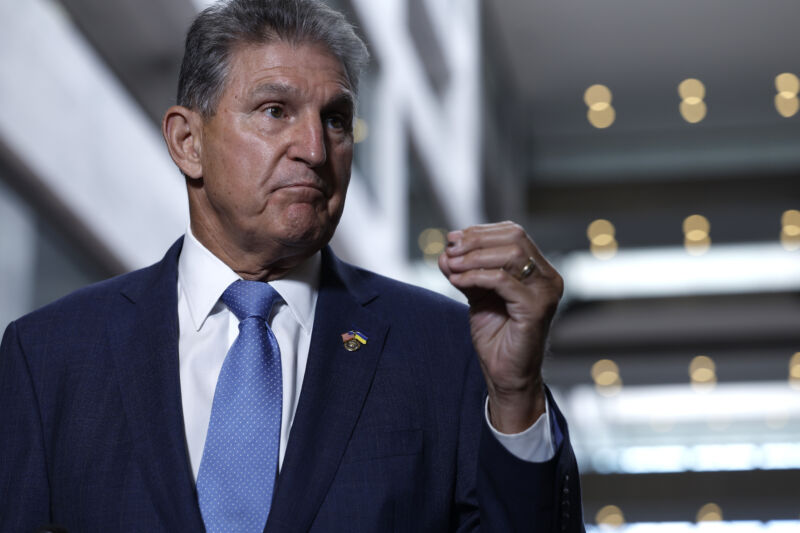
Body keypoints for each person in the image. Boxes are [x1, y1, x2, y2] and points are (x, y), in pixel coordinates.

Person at [0, 0, 583, 531]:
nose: (314, 148)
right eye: (275, 110)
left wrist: (515, 398)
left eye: (336, 120)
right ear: (187, 142)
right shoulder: (49, 356)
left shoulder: (447, 351)